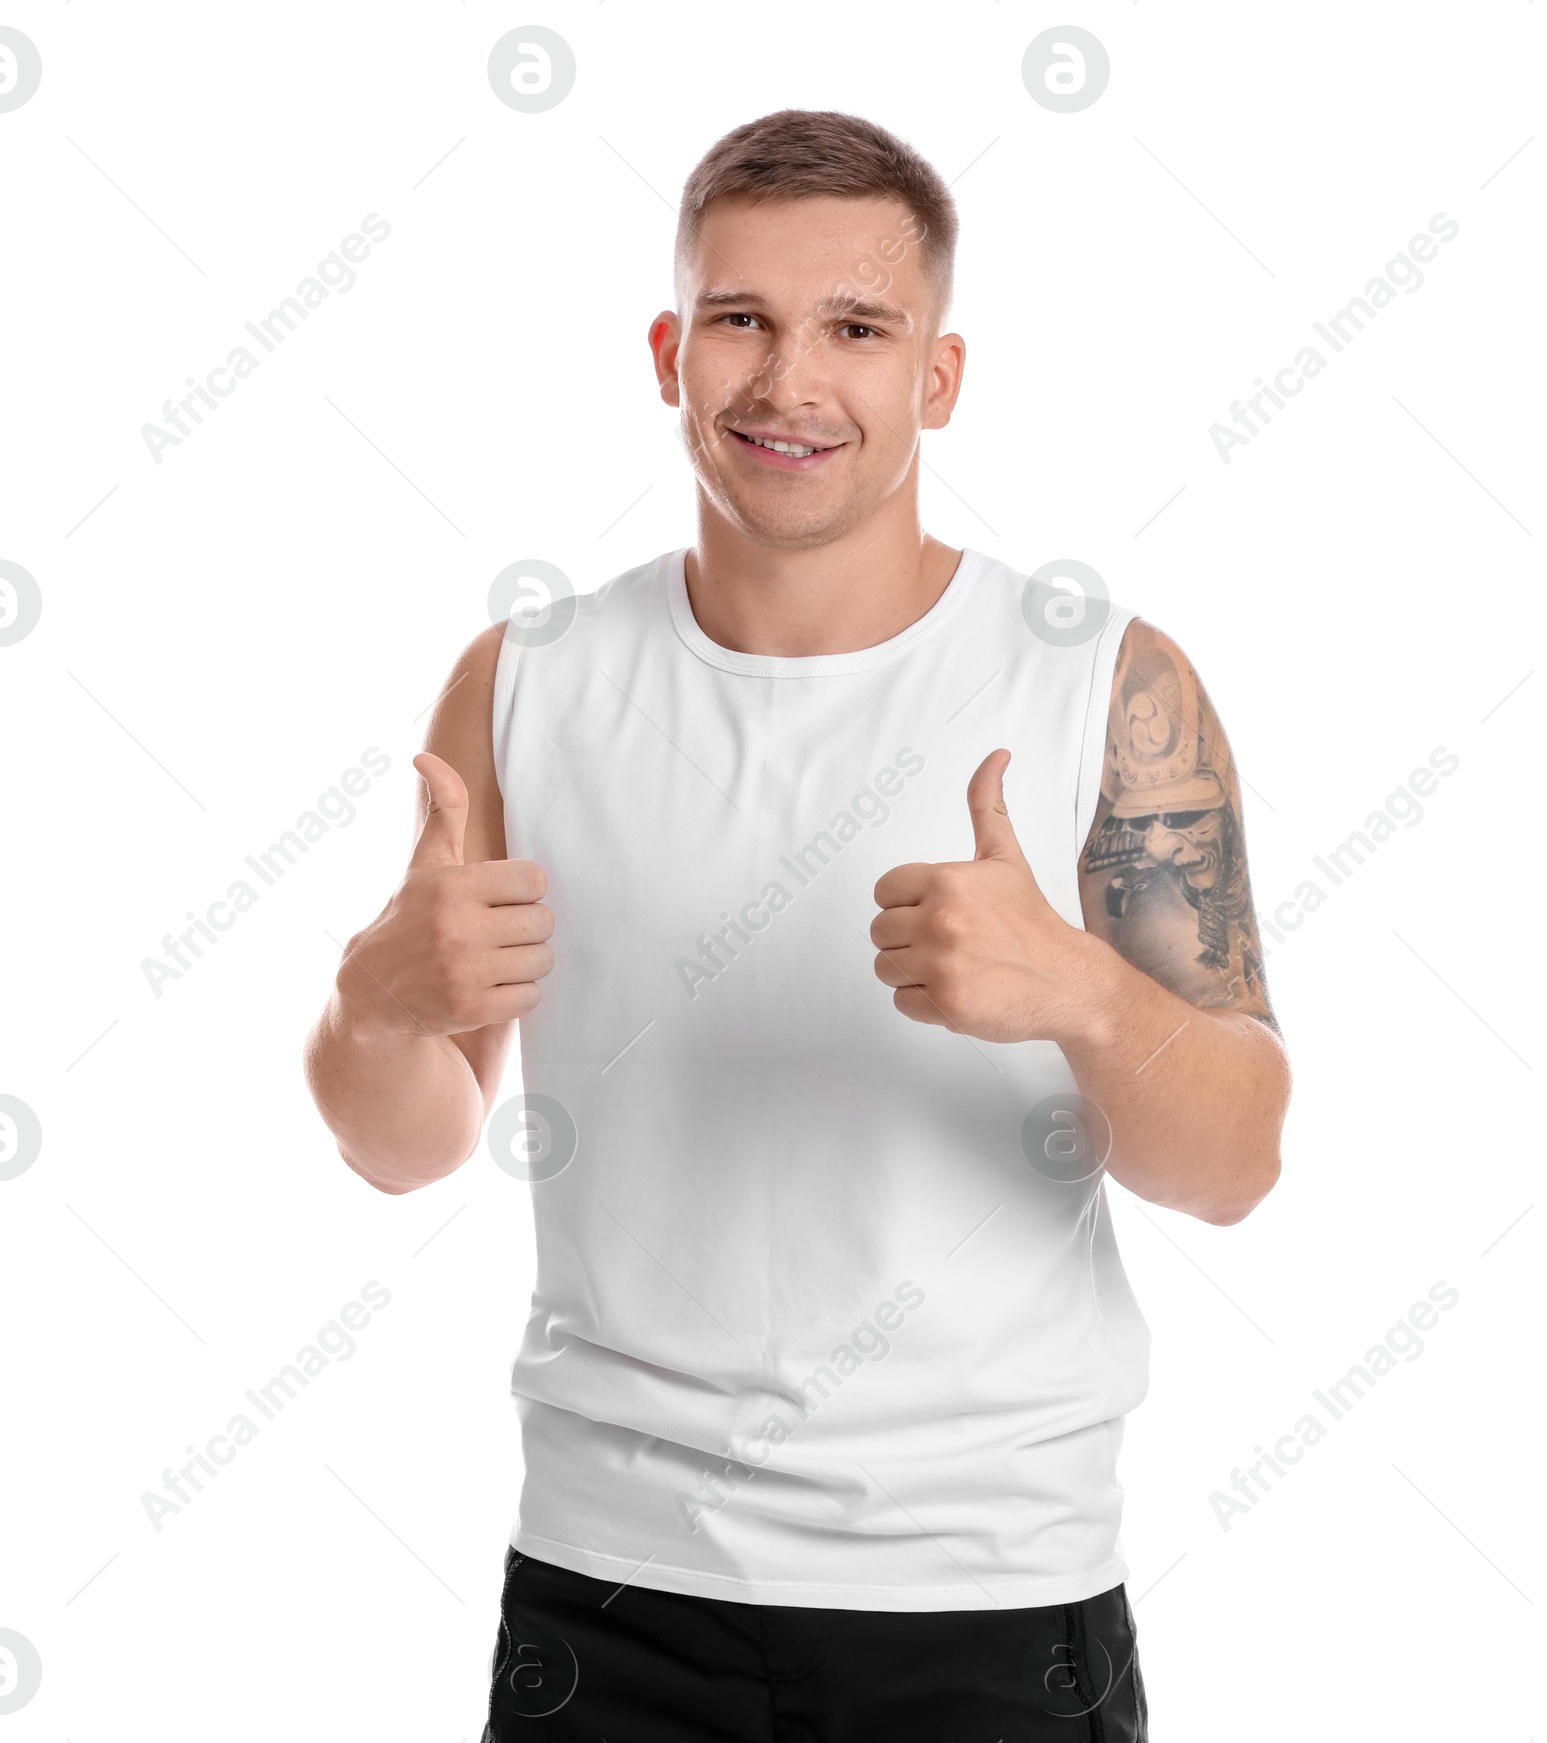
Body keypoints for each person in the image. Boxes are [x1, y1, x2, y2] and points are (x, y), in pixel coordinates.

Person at [304, 107, 1291, 1741]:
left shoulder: (1103, 683)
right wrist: (380, 1007)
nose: (788, 382)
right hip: (607, 1595)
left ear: (940, 377)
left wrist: (1082, 996)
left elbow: (1241, 1163)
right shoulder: (527, 681)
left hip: (988, 1601)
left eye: (855, 327)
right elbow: (401, 1146)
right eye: (740, 318)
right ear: (667, 351)